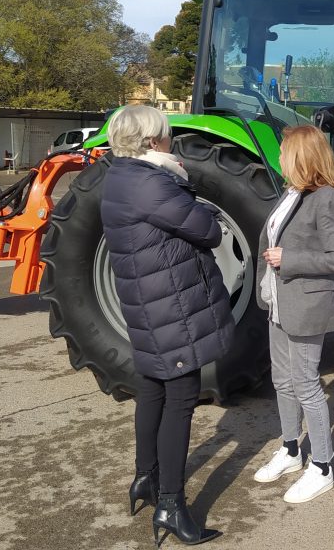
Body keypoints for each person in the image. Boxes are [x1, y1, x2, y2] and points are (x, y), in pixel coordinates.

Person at [100, 105, 233, 546]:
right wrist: (204, 213)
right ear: (153, 142)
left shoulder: (118, 178)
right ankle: (172, 507)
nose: (171, 141)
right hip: (172, 308)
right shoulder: (153, 184)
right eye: (166, 135)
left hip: (147, 305)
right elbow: (207, 232)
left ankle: (146, 478)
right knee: (180, 401)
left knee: (152, 391)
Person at [251, 124, 334, 503]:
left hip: (307, 305)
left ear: (300, 155)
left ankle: (323, 466)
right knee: (282, 381)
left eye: (283, 151)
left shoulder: (325, 198)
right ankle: (291, 450)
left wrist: (289, 258)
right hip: (280, 301)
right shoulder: (292, 194)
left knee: (306, 384)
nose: (278, 157)